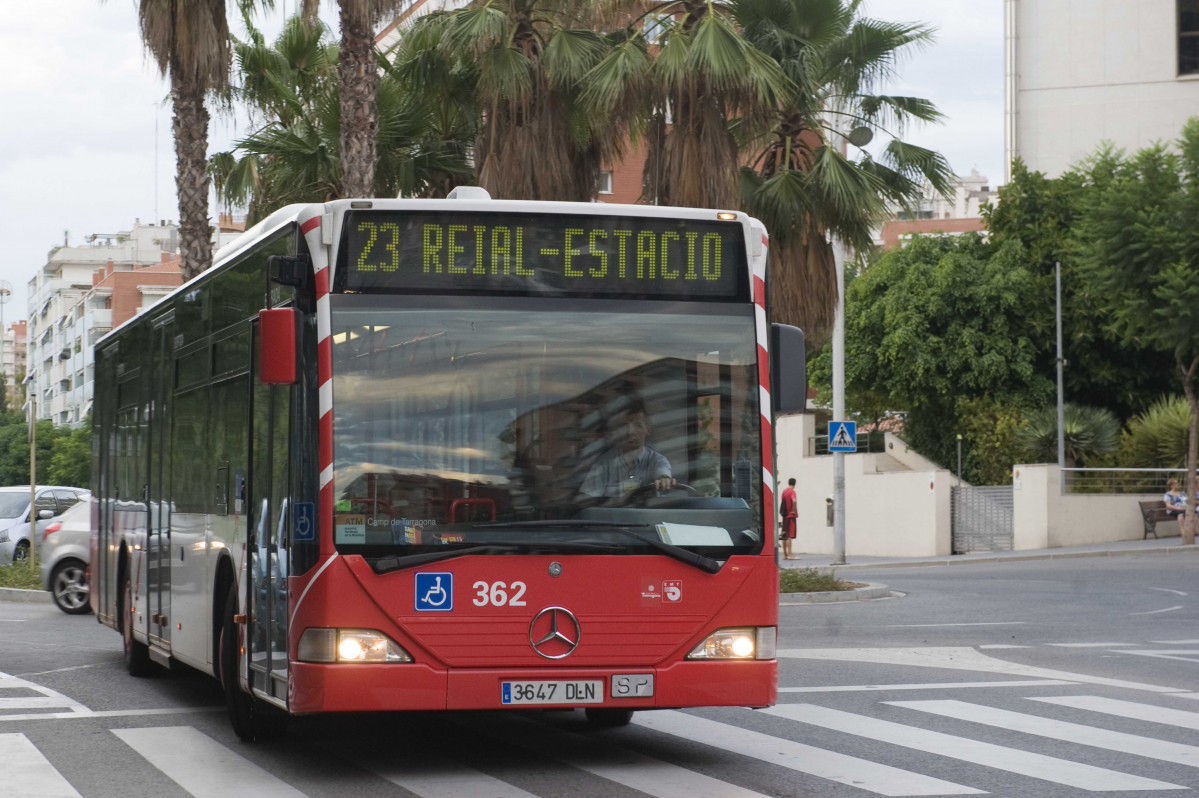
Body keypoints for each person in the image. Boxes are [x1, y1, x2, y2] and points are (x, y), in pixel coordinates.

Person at [579, 400, 673, 503]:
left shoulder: (656, 460)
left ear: (648, 429)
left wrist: (664, 479)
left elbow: (662, 470)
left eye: (638, 425)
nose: (630, 432)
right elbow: (588, 502)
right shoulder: (603, 464)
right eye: (624, 426)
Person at [779, 477, 798, 559]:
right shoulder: (792, 491)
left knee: (784, 535)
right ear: (794, 484)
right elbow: (794, 501)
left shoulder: (784, 491)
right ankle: (790, 554)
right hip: (790, 515)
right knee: (790, 535)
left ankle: (785, 554)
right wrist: (794, 510)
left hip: (785, 515)